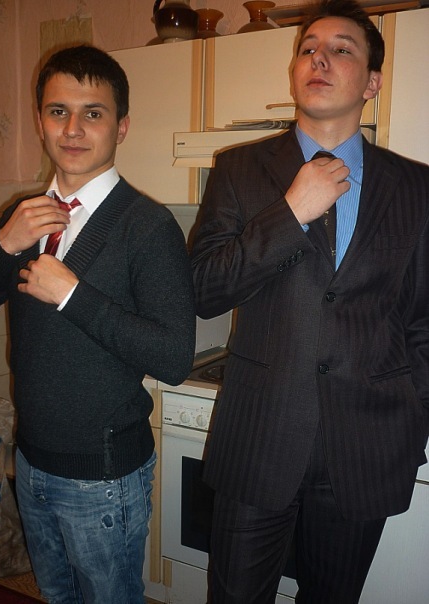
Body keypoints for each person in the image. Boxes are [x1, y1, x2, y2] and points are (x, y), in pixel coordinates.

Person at [191, 1, 429, 602]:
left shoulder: (417, 186)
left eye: (341, 49)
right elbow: (203, 290)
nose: (318, 58)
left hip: (368, 444)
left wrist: (414, 420)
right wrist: (291, 212)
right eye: (308, 48)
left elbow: (424, 321)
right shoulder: (238, 169)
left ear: (372, 82)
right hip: (260, 439)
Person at [0, 45, 195, 603]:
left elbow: (173, 357)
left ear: (121, 127)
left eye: (92, 113)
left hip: (104, 478)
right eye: (58, 111)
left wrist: (72, 295)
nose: (72, 129)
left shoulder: (148, 227)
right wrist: (3, 245)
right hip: (31, 463)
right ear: (40, 120)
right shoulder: (23, 218)